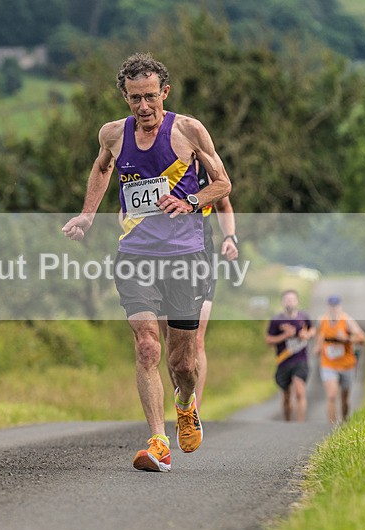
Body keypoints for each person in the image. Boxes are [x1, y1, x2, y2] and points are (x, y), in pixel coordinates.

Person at [62, 53, 232, 472]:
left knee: (183, 363)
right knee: (145, 347)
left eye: (151, 97)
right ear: (125, 96)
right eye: (135, 98)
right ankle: (158, 439)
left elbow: (223, 183)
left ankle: (186, 403)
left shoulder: (189, 130)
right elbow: (101, 170)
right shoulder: (112, 135)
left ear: (165, 93)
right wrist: (87, 213)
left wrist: (190, 201)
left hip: (185, 256)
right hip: (135, 254)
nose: (144, 107)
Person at [164, 162, 239, 410]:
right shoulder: (161, 165)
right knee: (172, 340)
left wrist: (229, 237)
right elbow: (127, 208)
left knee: (196, 339)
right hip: (162, 254)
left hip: (201, 255)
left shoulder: (208, 169)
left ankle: (192, 411)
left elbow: (224, 206)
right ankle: (180, 398)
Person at [313, 295, 365, 424]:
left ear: (340, 307)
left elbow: (363, 338)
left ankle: (344, 421)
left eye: (336, 306)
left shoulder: (347, 320)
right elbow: (320, 336)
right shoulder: (322, 320)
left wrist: (347, 339)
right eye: (331, 306)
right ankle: (331, 427)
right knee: (331, 395)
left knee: (344, 398)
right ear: (328, 307)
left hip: (346, 365)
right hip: (328, 364)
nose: (333, 309)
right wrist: (318, 347)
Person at [265, 289, 314, 422]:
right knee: (286, 395)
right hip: (284, 361)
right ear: (282, 302)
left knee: (299, 390)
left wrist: (307, 335)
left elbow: (312, 330)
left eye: (292, 300)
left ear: (297, 301)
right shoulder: (276, 320)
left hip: (301, 360)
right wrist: (284, 336)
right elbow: (268, 340)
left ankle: (300, 423)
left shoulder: (303, 317)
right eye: (287, 300)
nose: (290, 302)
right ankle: (287, 423)